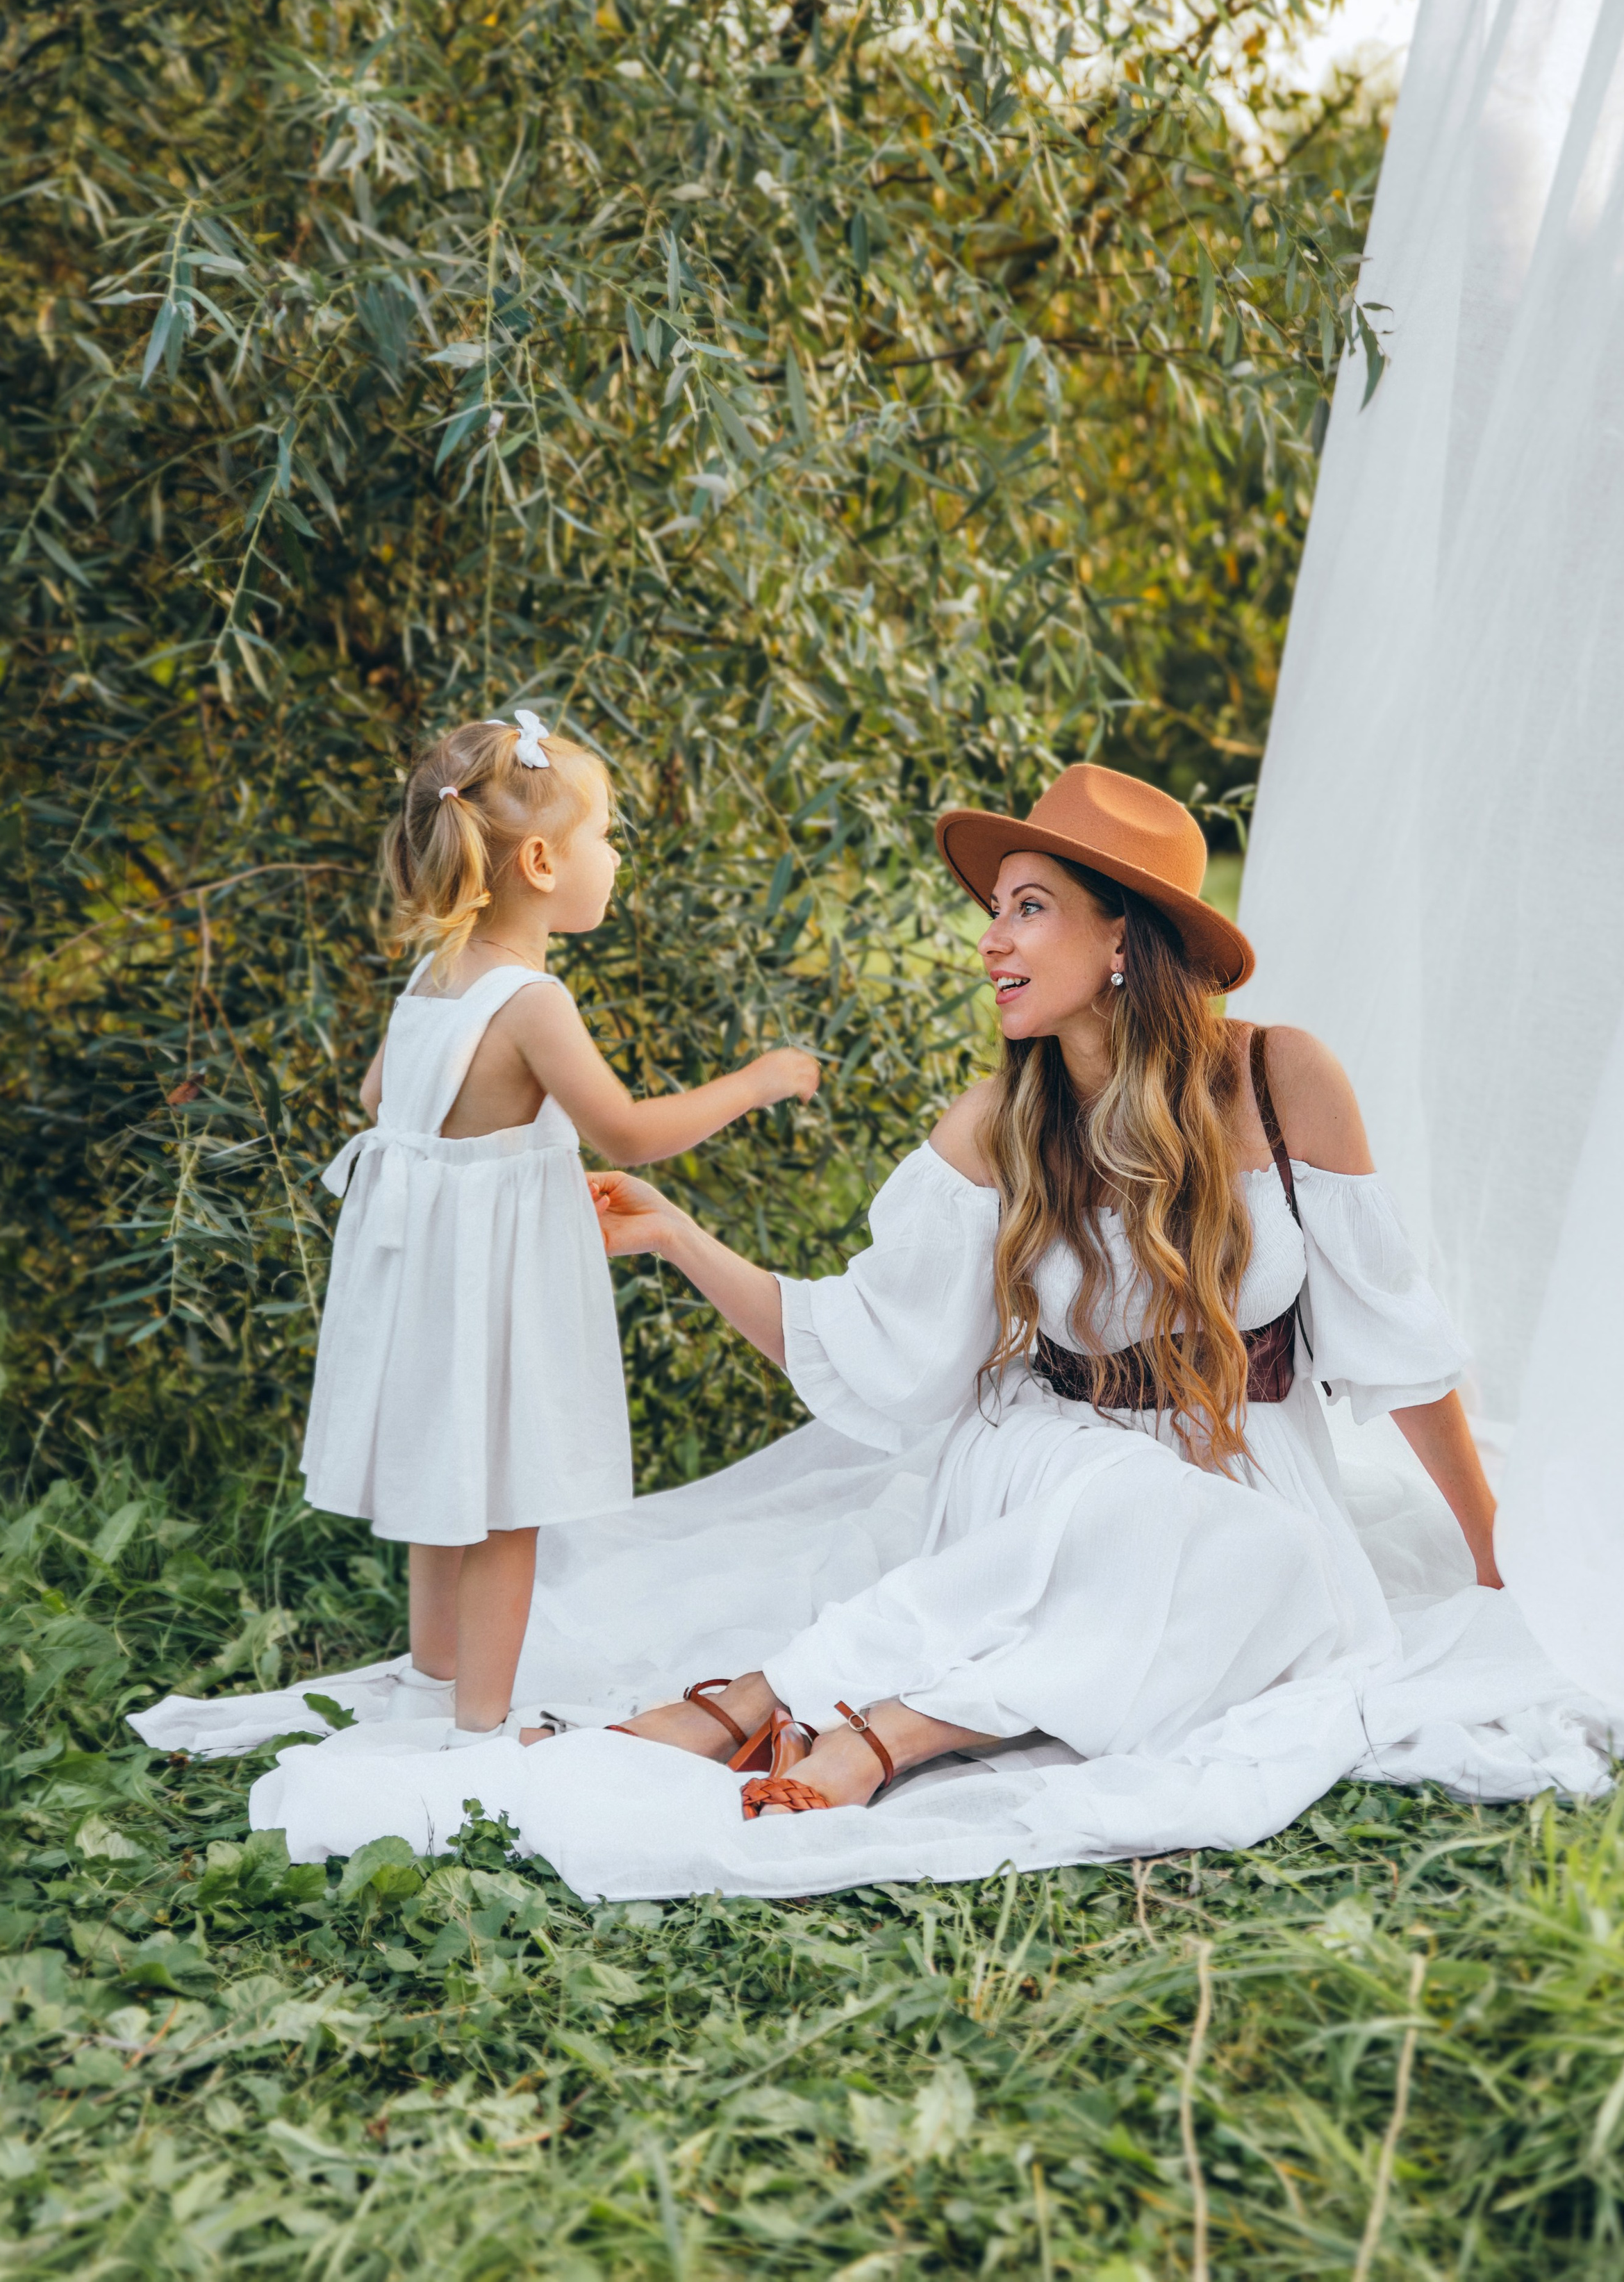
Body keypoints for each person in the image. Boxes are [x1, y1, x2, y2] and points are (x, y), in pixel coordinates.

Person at [524, 762, 1500, 1817]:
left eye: (1028, 910)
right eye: (995, 911)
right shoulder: (996, 1126)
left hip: (1252, 1468)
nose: (990, 940)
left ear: (1123, 941)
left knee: (1274, 1568)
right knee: (1143, 1513)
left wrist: (1493, 1557)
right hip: (1049, 1457)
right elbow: (864, 1343)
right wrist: (677, 1238)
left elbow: (1395, 1341)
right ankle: (849, 1730)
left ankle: (808, 1710)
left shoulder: (1280, 1079)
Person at [301, 708, 820, 1746]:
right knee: (507, 1495)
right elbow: (626, 1133)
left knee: (445, 1473)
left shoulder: (433, 975)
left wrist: (486, 1168)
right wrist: (758, 1081)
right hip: (495, 1285)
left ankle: (433, 1674)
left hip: (422, 1275)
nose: (617, 855)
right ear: (541, 860)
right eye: (609, 834)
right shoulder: (532, 1000)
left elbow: (378, 1099)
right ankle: (483, 1731)